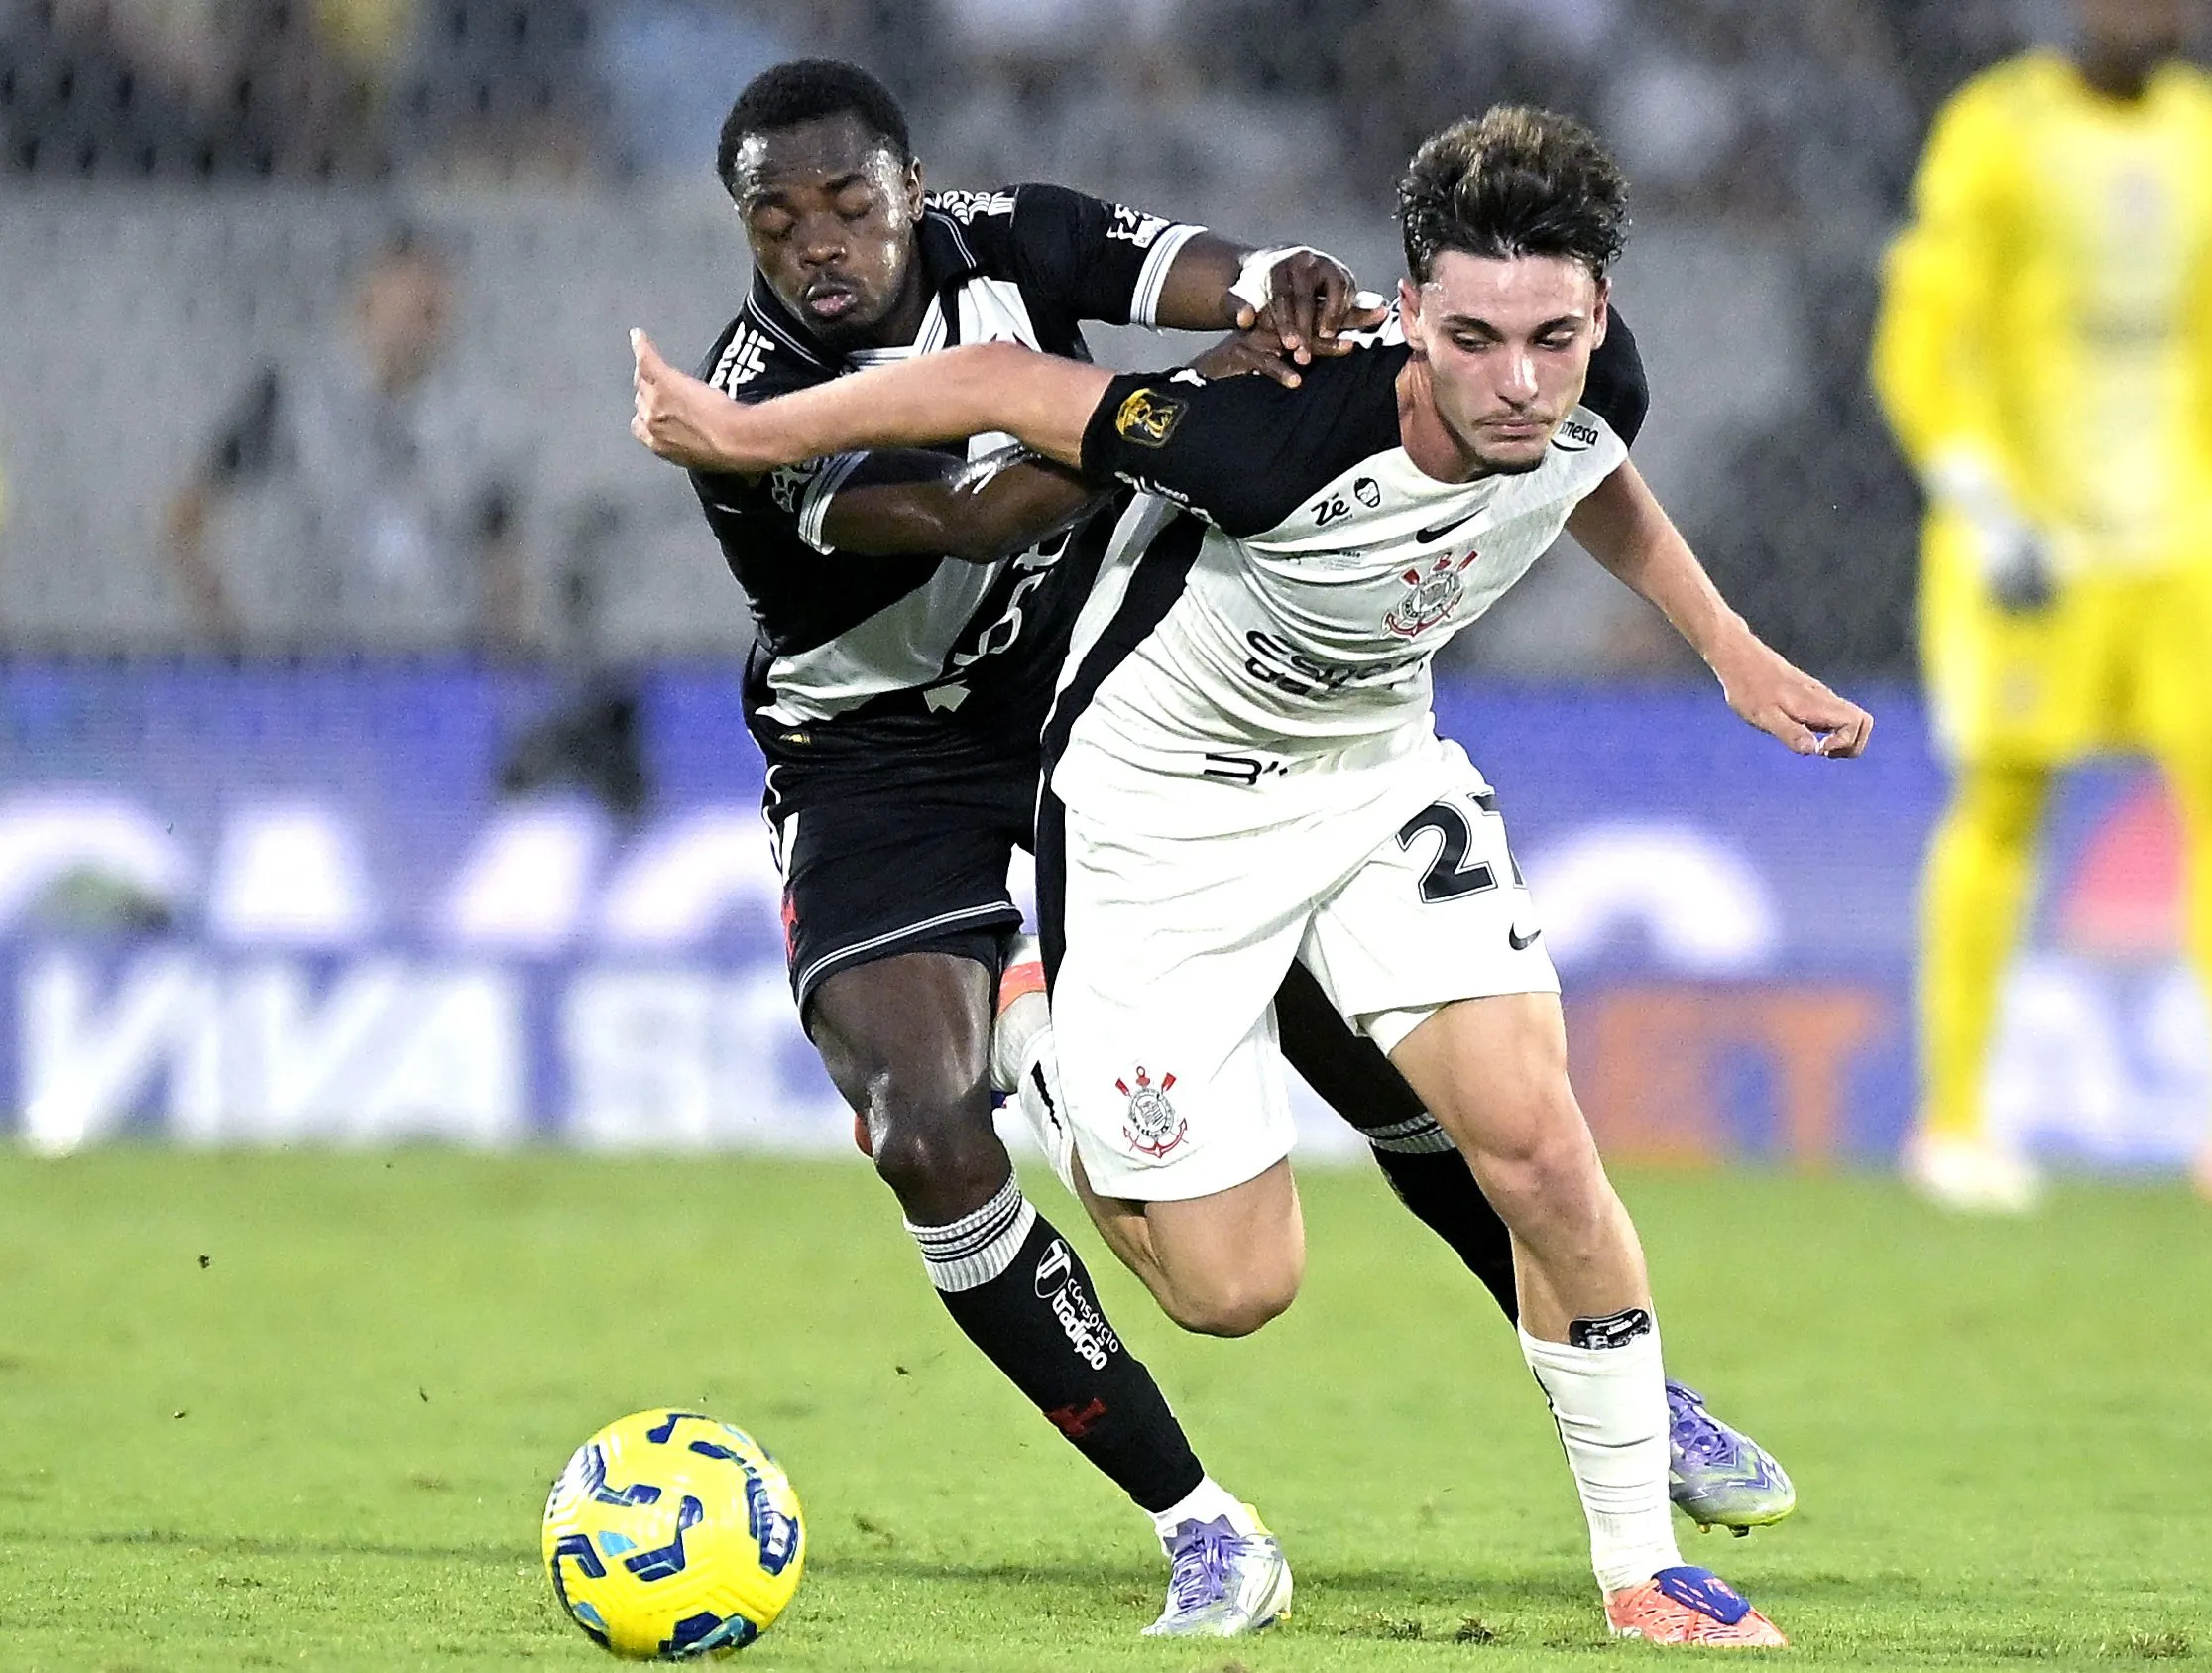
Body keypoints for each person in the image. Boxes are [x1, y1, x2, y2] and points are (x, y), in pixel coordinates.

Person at [633, 104, 1863, 1648]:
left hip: (1360, 766)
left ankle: (1633, 1486)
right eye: (1479, 338)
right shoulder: (1256, 434)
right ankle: (1053, 1051)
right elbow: (987, 463)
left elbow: (1580, 460)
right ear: (1419, 316)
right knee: (1205, 1273)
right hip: (971, 760)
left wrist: (1731, 646)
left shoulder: (1565, 373)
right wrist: (740, 435)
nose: (1522, 378)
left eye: (1553, 337)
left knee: (1529, 1136)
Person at [1871, 0, 2212, 1212]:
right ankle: (1954, 1122)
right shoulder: (1997, 131)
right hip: (2037, 532)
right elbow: (1923, 335)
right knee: (2004, 799)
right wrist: (1980, 499)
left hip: (2188, 534)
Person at [167, 227, 532, 652]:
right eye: (411, 301)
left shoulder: (476, 421)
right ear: (366, 299)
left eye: (433, 310)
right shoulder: (289, 396)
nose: (424, 319)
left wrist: (501, 656)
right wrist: (235, 644)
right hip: (313, 656)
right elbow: (183, 523)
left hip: (436, 657)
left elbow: (502, 556)